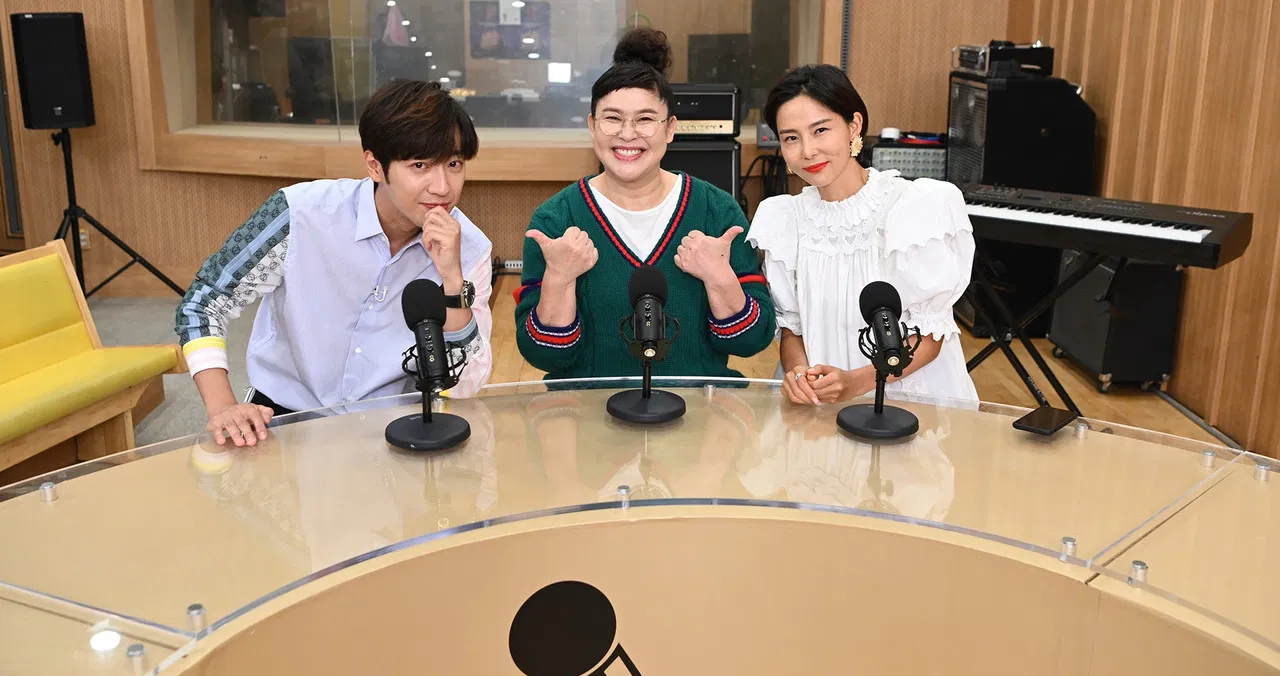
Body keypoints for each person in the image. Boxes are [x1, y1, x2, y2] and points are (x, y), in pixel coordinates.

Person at [175, 79, 494, 447]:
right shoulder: (300, 213)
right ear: (375, 166)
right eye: (420, 165)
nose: (442, 187)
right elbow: (205, 301)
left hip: (394, 431)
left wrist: (453, 281)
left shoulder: (469, 249)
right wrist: (223, 407)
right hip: (282, 420)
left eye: (454, 164)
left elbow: (466, 385)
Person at [513, 29, 776, 379]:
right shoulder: (555, 221)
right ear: (592, 126)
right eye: (612, 118)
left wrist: (719, 278)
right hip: (588, 410)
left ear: (670, 129)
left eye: (645, 119)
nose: (627, 134)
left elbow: (752, 341)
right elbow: (543, 355)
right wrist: (559, 279)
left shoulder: (717, 211)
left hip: (696, 408)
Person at [749, 64, 979, 406]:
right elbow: (792, 328)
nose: (808, 151)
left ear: (853, 125)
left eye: (820, 130)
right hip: (821, 399)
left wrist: (856, 383)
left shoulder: (914, 206)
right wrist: (799, 374)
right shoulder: (783, 219)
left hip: (905, 397)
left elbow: (930, 336)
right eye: (791, 138)